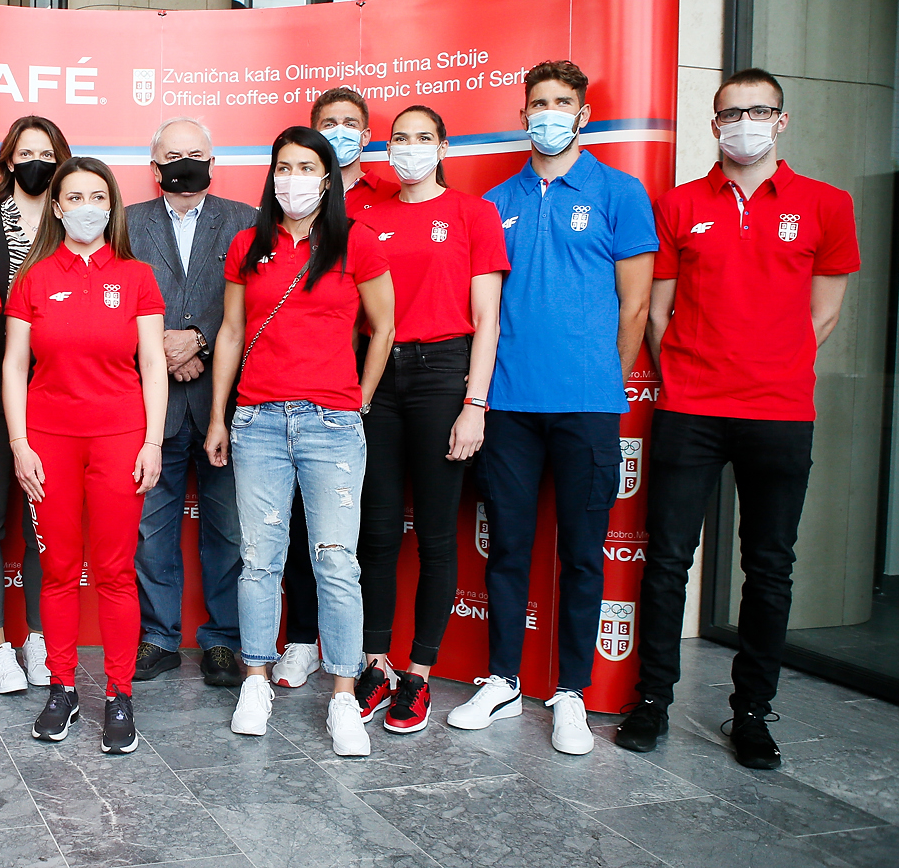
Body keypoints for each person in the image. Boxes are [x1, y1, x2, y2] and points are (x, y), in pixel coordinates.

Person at [614, 69, 859, 769]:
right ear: (714, 124)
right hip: (690, 406)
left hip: (780, 412)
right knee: (667, 560)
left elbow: (824, 313)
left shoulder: (826, 205)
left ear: (781, 120)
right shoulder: (680, 204)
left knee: (770, 567)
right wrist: (690, 372)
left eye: (759, 111)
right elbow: (657, 311)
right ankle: (652, 700)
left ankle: (751, 712)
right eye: (731, 113)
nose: (744, 123)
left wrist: (773, 366)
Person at [448, 60, 657, 756]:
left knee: (583, 556)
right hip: (508, 404)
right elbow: (483, 308)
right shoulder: (495, 202)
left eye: (562, 102)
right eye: (538, 102)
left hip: (587, 408)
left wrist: (600, 381)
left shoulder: (619, 192)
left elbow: (636, 306)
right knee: (508, 549)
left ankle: (571, 692)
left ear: (583, 114)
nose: (549, 113)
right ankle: (503, 680)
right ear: (523, 116)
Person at [204, 126, 395, 757]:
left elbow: (384, 326)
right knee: (259, 559)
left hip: (330, 425)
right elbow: (232, 332)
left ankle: (343, 696)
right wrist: (218, 417)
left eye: (307, 167)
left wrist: (360, 398)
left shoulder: (355, 242)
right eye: (283, 167)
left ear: (328, 177)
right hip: (258, 421)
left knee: (335, 560)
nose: (294, 179)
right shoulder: (248, 244)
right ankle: (255, 681)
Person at [350, 105, 509, 733]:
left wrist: (475, 404)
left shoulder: (474, 213)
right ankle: (375, 666)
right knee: (378, 531)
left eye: (423, 137)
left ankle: (418, 676)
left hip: (444, 373)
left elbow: (488, 318)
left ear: (443, 146)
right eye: (399, 138)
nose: (410, 147)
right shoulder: (369, 216)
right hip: (378, 373)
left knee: (438, 536)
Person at [4, 157, 167, 754]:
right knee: (57, 570)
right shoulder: (33, 278)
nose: (86, 207)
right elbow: (14, 366)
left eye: (97, 196)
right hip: (49, 441)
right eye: (73, 197)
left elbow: (153, 364)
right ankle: (63, 687)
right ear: (57, 207)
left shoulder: (137, 276)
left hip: (120, 438)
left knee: (116, 572)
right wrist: (20, 444)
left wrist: (152, 441)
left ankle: (119, 694)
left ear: (112, 206)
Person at [275, 87, 402, 689]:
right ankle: (302, 639)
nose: (341, 131)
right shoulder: (275, 223)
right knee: (298, 528)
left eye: (352, 123)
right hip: (288, 388)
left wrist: (362, 396)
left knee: (352, 534)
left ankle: (360, 660)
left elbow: (382, 320)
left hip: (355, 389)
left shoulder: (384, 202)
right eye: (330, 122)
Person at [128, 118, 255, 687]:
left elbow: (256, 301)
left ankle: (223, 640)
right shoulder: (127, 223)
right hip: (152, 404)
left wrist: (199, 338)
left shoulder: (246, 220)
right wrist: (163, 345)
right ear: (155, 167)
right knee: (152, 528)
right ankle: (157, 637)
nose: (185, 164)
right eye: (173, 156)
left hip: (222, 402)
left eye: (195, 154)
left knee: (227, 528)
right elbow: (114, 298)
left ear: (212, 161)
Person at [0, 116, 72, 693]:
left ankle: (38, 640)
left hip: (53, 394)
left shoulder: (74, 222)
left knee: (42, 523)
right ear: (7, 163)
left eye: (46, 154)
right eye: (25, 154)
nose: (36, 164)